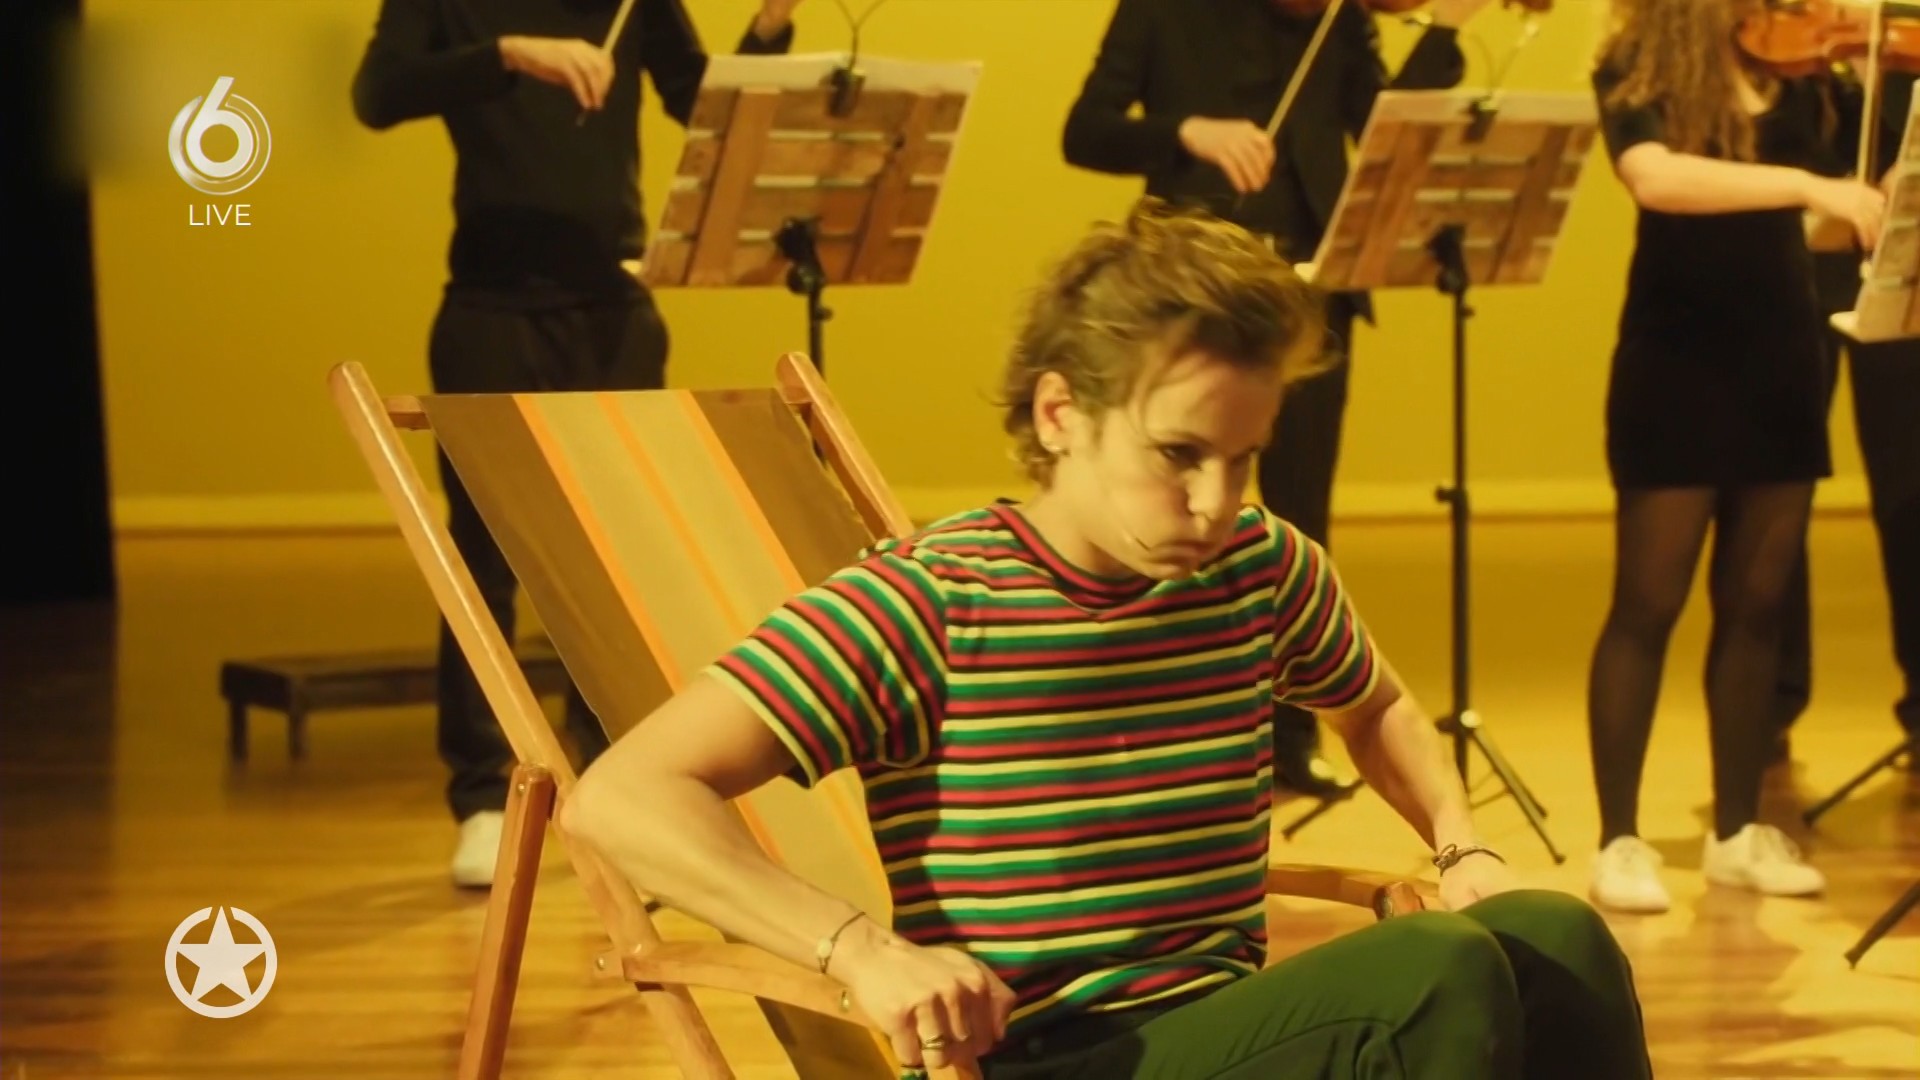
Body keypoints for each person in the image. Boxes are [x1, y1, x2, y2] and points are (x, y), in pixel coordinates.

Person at [561, 199, 1654, 1079]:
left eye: (1244, 457)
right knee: (1431, 972)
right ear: (1059, 415)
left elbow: (1376, 707)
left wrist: (1459, 843)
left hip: (1229, 1029)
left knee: (1558, 935)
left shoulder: (1261, 567)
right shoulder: (930, 603)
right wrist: (858, 949)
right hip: (1049, 1056)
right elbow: (621, 796)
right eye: (1179, 454)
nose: (1218, 501)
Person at [349, 0, 803, 888]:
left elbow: (704, 106)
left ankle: (618, 784)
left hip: (613, 305)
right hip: (493, 306)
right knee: (483, 558)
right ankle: (483, 796)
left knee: (617, 561)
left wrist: (768, 32)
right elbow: (378, 94)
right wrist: (509, 54)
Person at [1058, 0, 1493, 800]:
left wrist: (1443, 33)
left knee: (1303, 521)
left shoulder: (1338, 17)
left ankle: (1290, 738)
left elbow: (1387, 133)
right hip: (1189, 296)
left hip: (1310, 294)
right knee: (1165, 515)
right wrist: (1187, 132)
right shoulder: (1160, 9)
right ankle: (1149, 719)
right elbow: (1085, 131)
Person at [1582, 0, 1885, 913]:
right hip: (1677, 362)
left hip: (1782, 357)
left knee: (1757, 608)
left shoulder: (1806, 74)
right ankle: (1619, 840)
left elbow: (1827, 221)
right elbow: (1655, 178)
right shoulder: (1635, 63)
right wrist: (1811, 187)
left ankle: (1738, 832)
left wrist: (1878, 203)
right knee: (1647, 605)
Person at [1772, 67, 1920, 771]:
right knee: (1773, 490)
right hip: (1784, 256)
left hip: (1900, 252)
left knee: (1910, 486)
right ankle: (1764, 703)